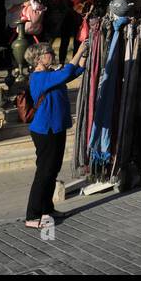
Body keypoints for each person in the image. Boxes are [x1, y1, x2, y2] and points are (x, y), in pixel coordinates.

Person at [24, 38, 88, 229]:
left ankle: (47, 210)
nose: (51, 54)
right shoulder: (39, 77)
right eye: (47, 53)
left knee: (52, 171)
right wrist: (79, 51)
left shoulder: (51, 74)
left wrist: (84, 54)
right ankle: (32, 215)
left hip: (56, 128)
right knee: (44, 173)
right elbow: (67, 71)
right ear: (37, 59)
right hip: (45, 130)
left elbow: (73, 72)